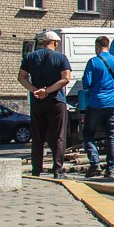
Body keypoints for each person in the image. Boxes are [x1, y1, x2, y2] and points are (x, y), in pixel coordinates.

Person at [18, 30, 72, 178]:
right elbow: (66, 78)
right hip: (56, 101)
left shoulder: (30, 57)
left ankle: (36, 170)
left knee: (38, 136)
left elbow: (21, 77)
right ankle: (58, 170)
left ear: (42, 42)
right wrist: (47, 90)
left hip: (37, 102)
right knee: (58, 137)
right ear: (55, 43)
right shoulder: (61, 58)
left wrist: (35, 90)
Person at [81, 36, 114, 178]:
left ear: (97, 47)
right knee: (112, 136)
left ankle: (95, 164)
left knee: (88, 134)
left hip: (95, 103)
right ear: (108, 46)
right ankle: (110, 169)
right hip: (113, 104)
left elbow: (86, 83)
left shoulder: (93, 62)